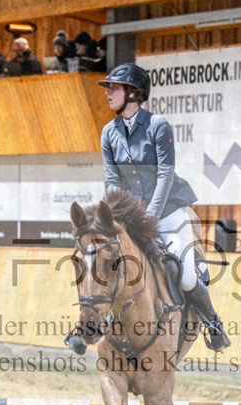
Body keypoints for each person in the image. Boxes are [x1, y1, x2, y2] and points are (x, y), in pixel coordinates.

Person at [66, 63, 230, 353]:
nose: (109, 93)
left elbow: (165, 175)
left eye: (115, 88)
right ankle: (86, 326)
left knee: (187, 275)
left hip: (168, 212)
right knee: (99, 260)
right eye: (109, 89)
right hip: (130, 217)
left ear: (133, 93)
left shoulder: (158, 125)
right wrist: (117, 218)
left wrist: (149, 216)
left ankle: (213, 322)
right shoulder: (109, 132)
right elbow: (112, 179)